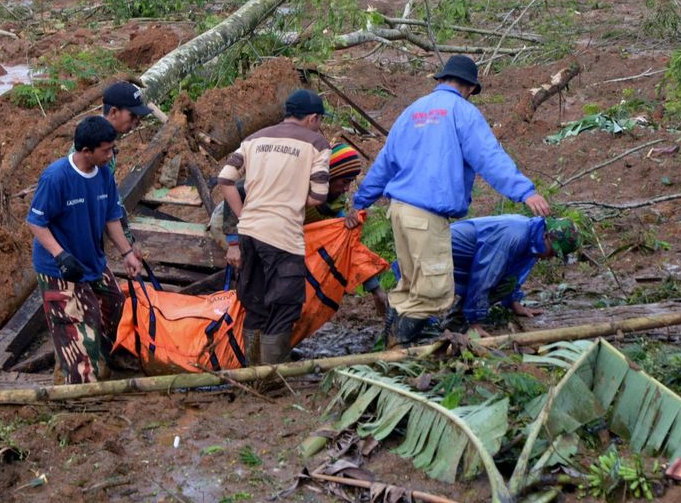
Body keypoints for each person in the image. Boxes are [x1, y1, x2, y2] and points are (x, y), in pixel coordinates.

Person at [345, 55, 551, 347]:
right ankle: (397, 349)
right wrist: (525, 191)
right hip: (426, 216)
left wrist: (361, 201)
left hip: (400, 213)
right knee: (433, 292)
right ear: (469, 87)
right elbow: (488, 158)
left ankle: (388, 348)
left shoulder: (412, 112)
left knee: (410, 288)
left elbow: (385, 163)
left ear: (441, 80)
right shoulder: (462, 112)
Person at [217, 89, 331, 365]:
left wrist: (244, 215)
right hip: (282, 236)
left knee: (255, 302)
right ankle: (272, 376)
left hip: (250, 232)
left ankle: (251, 372)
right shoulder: (317, 143)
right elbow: (318, 196)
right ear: (313, 118)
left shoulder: (254, 138)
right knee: (284, 305)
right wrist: (291, 200)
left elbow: (225, 179)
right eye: (320, 120)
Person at [211, 143, 389, 316]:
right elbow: (238, 190)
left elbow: (350, 248)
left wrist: (376, 290)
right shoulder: (292, 183)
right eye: (344, 181)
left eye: (350, 182)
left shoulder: (333, 206)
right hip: (231, 218)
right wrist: (234, 243)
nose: (346, 189)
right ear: (330, 176)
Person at [27, 116, 142, 384]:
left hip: (92, 260)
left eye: (112, 148)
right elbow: (36, 222)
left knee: (115, 305)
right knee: (78, 323)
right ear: (86, 151)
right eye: (106, 150)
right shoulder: (56, 178)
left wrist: (127, 253)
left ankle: (105, 357)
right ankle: (80, 386)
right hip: (59, 267)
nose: (111, 154)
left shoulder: (104, 174)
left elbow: (111, 217)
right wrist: (61, 255)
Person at [443, 215, 580, 335]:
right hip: (443, 251)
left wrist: (514, 303)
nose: (549, 257)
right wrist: (475, 323)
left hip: (469, 258)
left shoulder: (533, 239)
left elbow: (513, 276)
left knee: (505, 284)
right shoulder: (514, 236)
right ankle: (455, 323)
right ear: (546, 236)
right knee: (428, 295)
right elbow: (483, 278)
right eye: (552, 252)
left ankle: (456, 320)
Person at [69, 81, 153, 259]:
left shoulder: (105, 144)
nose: (137, 122)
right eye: (133, 116)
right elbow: (107, 201)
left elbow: (110, 199)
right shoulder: (94, 150)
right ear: (114, 112)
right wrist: (128, 245)